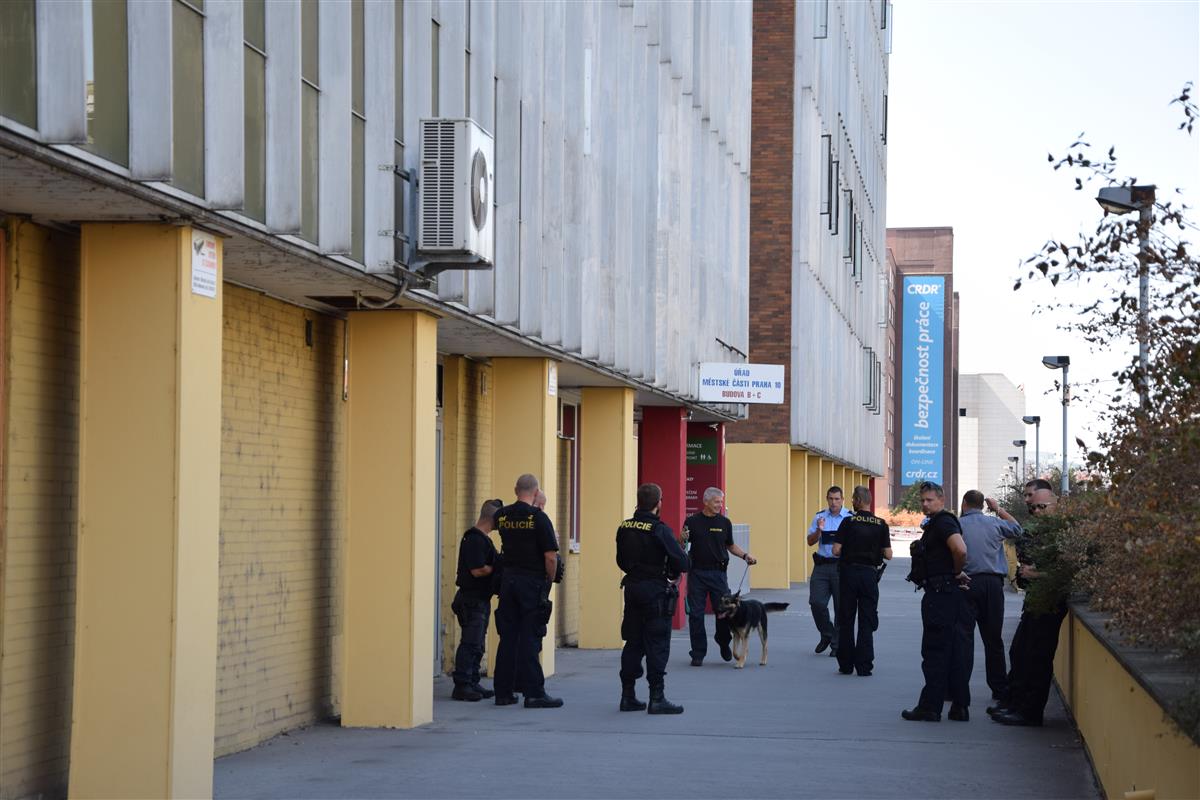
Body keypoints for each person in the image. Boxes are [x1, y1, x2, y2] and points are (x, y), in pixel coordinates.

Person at [991, 487, 1067, 727]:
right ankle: (1016, 704)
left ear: (1056, 504)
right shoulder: (1042, 533)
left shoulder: (1063, 533)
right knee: (1020, 653)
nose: (1036, 511)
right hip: (1036, 602)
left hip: (1050, 604)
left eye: (1041, 507)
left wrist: (1036, 574)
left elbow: (1067, 572)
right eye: (1033, 508)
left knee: (1037, 658)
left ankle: (1029, 712)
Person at [616, 483, 690, 714]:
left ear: (638, 501)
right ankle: (657, 698)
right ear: (658, 503)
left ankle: (627, 696)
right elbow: (682, 563)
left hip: (633, 589)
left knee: (633, 642)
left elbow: (621, 561)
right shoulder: (660, 530)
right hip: (655, 592)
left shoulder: (624, 527)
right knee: (657, 643)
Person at [902, 481, 972, 722]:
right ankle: (959, 706)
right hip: (947, 592)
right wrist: (954, 573)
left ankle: (930, 707)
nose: (925, 504)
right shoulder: (939, 522)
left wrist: (955, 572)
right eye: (922, 500)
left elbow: (960, 550)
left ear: (942, 499)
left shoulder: (943, 522)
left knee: (935, 652)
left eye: (930, 500)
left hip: (940, 595)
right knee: (955, 651)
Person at [493, 474, 563, 708]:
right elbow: (550, 557)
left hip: (508, 582)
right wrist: (549, 580)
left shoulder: (502, 515)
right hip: (531, 583)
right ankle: (534, 693)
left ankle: (503, 692)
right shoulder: (538, 518)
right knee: (531, 638)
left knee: (508, 638)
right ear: (536, 492)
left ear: (516, 490)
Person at [959, 490, 1024, 704]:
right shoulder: (995, 523)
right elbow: (1018, 529)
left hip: (966, 583)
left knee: (963, 638)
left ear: (964, 503)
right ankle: (999, 688)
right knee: (993, 639)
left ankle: (959, 689)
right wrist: (998, 509)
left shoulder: (958, 525)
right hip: (993, 586)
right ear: (982, 505)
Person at [681, 487, 756, 667]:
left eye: (721, 502)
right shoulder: (692, 522)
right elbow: (683, 545)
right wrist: (681, 538)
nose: (719, 505)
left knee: (724, 612)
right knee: (696, 615)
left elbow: (730, 545)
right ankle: (698, 653)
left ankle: (723, 642)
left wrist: (745, 556)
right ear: (705, 501)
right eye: (716, 502)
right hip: (697, 574)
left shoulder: (724, 522)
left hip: (718, 574)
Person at [831, 486, 892, 677]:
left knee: (846, 619)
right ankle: (864, 666)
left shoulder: (848, 522)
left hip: (849, 575)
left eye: (853, 499)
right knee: (867, 620)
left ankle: (846, 664)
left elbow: (835, 550)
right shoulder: (881, 524)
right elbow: (888, 554)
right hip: (869, 576)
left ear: (858, 500)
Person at [450, 499, 504, 701]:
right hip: (471, 599)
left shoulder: (483, 539)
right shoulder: (475, 540)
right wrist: (495, 567)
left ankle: (472, 682)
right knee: (470, 643)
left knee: (478, 643)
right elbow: (477, 570)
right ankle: (462, 685)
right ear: (493, 518)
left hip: (479, 598)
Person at [807, 486, 853, 656]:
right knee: (816, 603)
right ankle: (827, 633)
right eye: (831, 499)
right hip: (821, 565)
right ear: (827, 499)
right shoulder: (820, 516)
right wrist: (819, 530)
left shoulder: (850, 518)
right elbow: (810, 541)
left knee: (841, 607)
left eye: (837, 499)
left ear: (842, 500)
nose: (834, 502)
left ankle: (837, 644)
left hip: (841, 566)